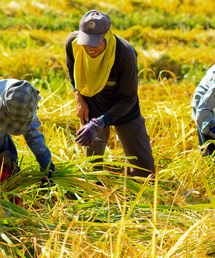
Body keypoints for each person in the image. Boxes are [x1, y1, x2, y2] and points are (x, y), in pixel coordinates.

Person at [65, 10, 155, 177]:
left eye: (95, 43)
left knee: (143, 167)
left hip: (123, 108)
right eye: (86, 42)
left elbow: (128, 99)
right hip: (92, 104)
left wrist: (99, 123)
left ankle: (138, 193)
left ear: (107, 35)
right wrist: (79, 98)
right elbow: (72, 70)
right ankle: (95, 193)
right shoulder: (73, 43)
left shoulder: (125, 54)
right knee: (91, 162)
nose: (89, 48)